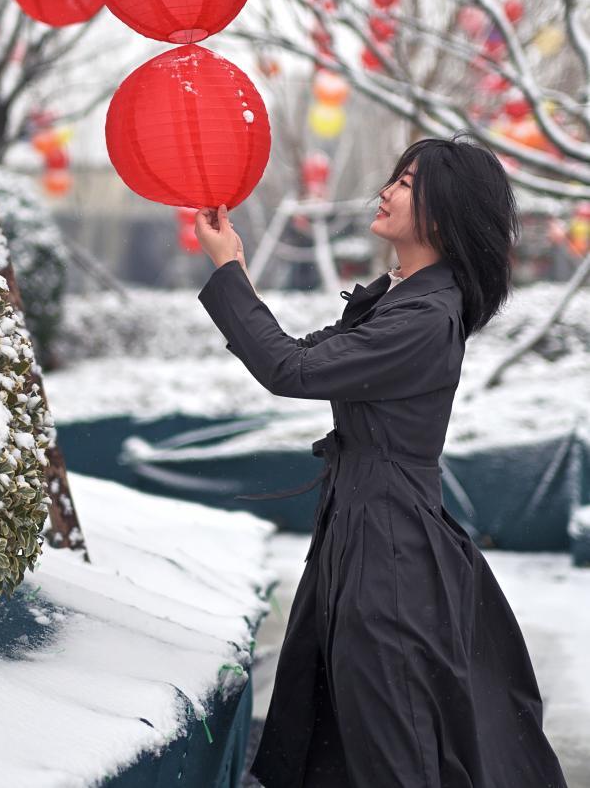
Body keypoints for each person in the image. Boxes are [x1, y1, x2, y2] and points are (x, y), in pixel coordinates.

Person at [194, 131, 569, 788]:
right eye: (396, 177)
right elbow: (297, 356)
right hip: (363, 531)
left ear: (444, 212)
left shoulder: (424, 316)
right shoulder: (405, 299)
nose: (386, 190)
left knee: (389, 741)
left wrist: (227, 273)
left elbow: (290, 369)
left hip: (387, 549)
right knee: (340, 734)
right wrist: (237, 273)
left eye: (405, 181)